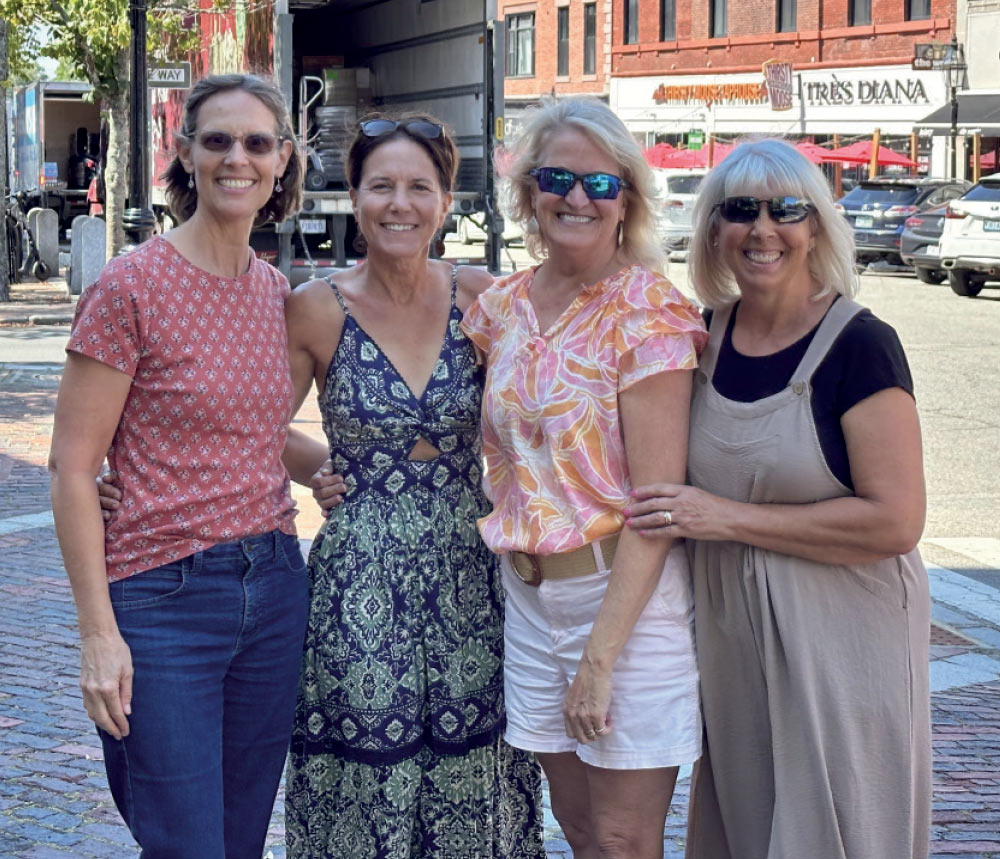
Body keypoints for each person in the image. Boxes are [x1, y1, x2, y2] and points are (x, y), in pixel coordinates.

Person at [624, 138, 932, 859]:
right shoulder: (700, 339)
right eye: (740, 211)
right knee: (749, 821)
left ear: (817, 226)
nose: (763, 229)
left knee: (846, 822)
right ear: (712, 231)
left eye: (786, 209)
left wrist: (726, 517)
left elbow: (896, 518)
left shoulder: (860, 345)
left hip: (845, 634)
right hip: (733, 634)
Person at [49, 74, 317, 858]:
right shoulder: (131, 285)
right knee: (185, 844)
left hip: (273, 590)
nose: (239, 157)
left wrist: (339, 468)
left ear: (282, 161)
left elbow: (255, 433)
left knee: (239, 842)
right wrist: (98, 635)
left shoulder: (277, 293)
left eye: (257, 142)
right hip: (160, 599)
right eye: (219, 140)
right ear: (187, 156)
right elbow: (71, 469)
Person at [281, 114, 544, 858]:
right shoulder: (317, 306)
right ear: (355, 196)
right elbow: (256, 427)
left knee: (479, 764)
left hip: (473, 566)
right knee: (366, 777)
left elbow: (539, 413)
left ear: (446, 198)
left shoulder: (483, 296)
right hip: (358, 581)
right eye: (382, 186)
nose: (400, 204)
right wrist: (317, 471)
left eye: (418, 187)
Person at [460, 98, 707, 858]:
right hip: (530, 599)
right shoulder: (499, 308)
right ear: (530, 192)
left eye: (599, 184)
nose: (577, 198)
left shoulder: (649, 311)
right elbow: (496, 445)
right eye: (558, 178)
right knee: (576, 829)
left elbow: (655, 507)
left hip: (623, 604)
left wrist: (599, 657)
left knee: (624, 839)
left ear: (626, 198)